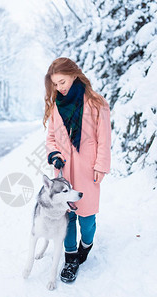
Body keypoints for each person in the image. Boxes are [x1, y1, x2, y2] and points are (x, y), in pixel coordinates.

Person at [43, 57, 111, 283]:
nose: (59, 88)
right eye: (55, 84)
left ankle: (86, 244)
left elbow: (104, 139)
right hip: (63, 174)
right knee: (67, 216)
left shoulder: (96, 102)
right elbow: (51, 137)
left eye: (62, 82)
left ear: (74, 75)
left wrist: (101, 166)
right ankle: (70, 257)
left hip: (88, 169)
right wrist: (54, 153)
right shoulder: (55, 107)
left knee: (87, 217)